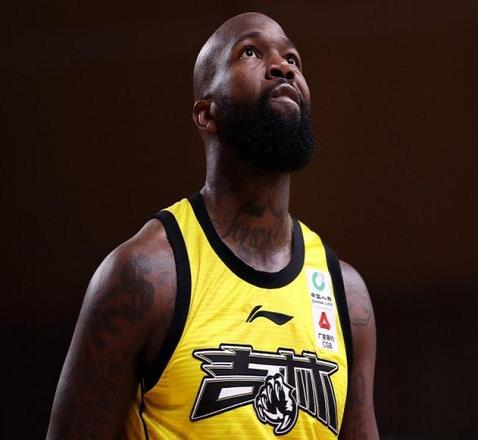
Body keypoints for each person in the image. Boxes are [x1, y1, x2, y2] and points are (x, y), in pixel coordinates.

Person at [47, 12, 378, 439]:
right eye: (251, 52)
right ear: (207, 114)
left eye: (293, 58)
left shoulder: (345, 295)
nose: (283, 66)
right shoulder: (145, 276)